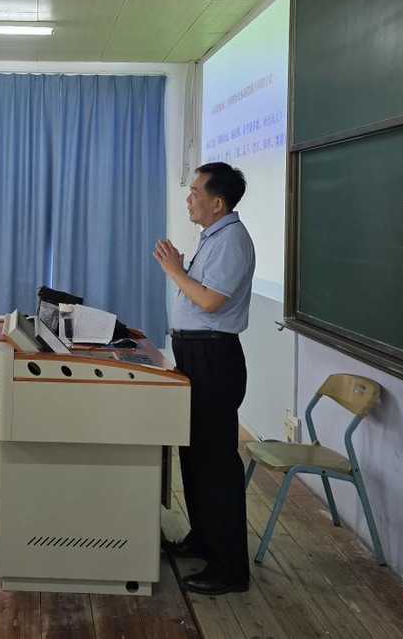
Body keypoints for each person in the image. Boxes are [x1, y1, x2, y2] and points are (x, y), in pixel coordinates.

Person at [154, 162, 255, 596]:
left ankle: (230, 569)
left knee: (215, 464)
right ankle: (203, 539)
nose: (188, 198)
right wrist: (180, 268)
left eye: (195, 191)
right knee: (194, 455)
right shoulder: (214, 237)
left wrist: (174, 270)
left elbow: (211, 302)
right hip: (197, 353)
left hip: (214, 357)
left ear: (218, 202)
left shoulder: (232, 240)